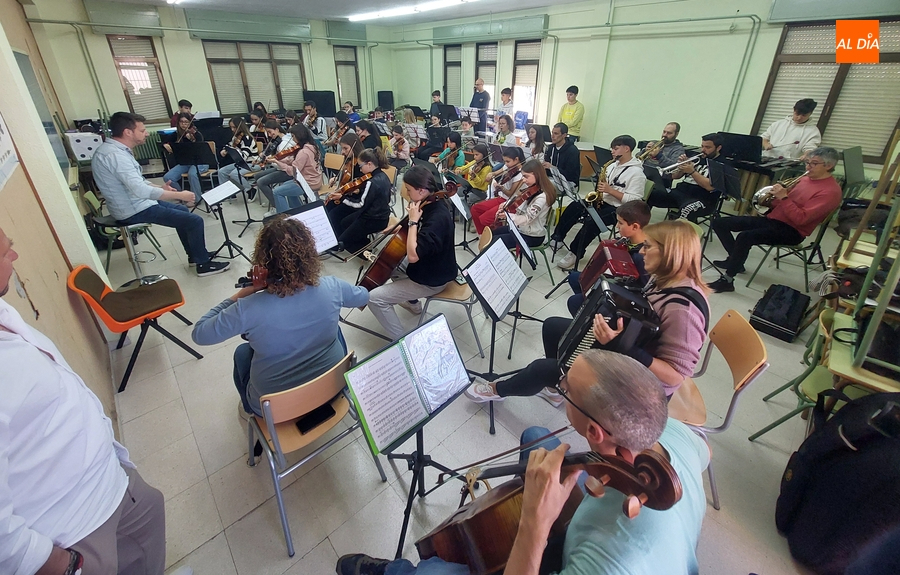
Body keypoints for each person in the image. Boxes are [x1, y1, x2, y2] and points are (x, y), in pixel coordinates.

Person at [337, 349, 709, 575]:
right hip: (609, 514)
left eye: (565, 389)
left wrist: (534, 521)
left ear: (595, 432)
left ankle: (396, 571)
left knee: (436, 571)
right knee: (537, 439)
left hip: (589, 552)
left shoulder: (611, 559)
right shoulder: (675, 433)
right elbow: (705, 454)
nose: (560, 388)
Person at [0, 225, 193, 575]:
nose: (14, 256)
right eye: (3, 253)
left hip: (109, 479)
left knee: (151, 510)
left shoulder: (4, 313)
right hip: (70, 530)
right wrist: (59, 563)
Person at [467, 219, 709, 405]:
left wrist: (623, 346)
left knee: (541, 368)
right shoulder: (664, 279)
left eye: (648, 246)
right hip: (628, 356)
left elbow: (676, 377)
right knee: (552, 326)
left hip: (642, 386)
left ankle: (497, 390)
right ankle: (560, 387)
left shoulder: (683, 310)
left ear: (670, 253)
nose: (642, 252)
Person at [191, 217, 368, 418]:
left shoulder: (248, 308)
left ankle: (249, 409)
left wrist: (242, 294)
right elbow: (364, 295)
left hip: (275, 409)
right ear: (309, 255)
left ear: (263, 263)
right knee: (334, 327)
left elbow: (199, 334)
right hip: (332, 387)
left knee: (242, 353)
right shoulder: (332, 286)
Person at [91, 112, 229, 276]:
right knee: (195, 220)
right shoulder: (115, 156)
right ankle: (203, 265)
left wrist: (161, 188)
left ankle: (195, 256)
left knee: (184, 212)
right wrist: (180, 195)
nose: (147, 133)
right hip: (132, 210)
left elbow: (138, 181)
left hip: (134, 203)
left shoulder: (114, 150)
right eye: (142, 131)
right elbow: (141, 190)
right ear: (128, 132)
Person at [709, 146, 843, 293]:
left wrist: (784, 197)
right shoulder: (805, 179)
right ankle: (736, 260)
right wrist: (770, 199)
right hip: (774, 219)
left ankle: (728, 280)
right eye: (807, 162)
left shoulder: (830, 192)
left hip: (793, 231)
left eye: (813, 163)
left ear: (829, 166)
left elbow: (801, 219)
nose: (808, 167)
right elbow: (782, 203)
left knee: (745, 237)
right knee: (719, 223)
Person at [367, 165, 458, 340]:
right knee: (388, 259)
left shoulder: (438, 216)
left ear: (422, 190)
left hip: (433, 278)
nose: (408, 194)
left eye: (409, 190)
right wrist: (398, 228)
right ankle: (414, 304)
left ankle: (402, 341)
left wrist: (413, 223)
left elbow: (413, 256)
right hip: (430, 264)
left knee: (374, 298)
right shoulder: (429, 202)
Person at [554, 135, 647, 271]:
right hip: (601, 200)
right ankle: (557, 237)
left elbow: (635, 201)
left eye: (615, 148)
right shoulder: (611, 166)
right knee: (574, 206)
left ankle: (575, 253)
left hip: (618, 209)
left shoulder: (637, 173)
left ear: (627, 149)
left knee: (591, 223)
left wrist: (610, 190)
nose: (612, 151)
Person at [565, 200, 652, 316]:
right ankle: (588, 305)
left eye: (620, 223)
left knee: (573, 302)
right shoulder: (626, 241)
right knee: (574, 278)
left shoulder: (641, 256)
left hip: (619, 295)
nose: (617, 226)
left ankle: (588, 317)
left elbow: (643, 291)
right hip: (610, 282)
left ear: (635, 226)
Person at [646, 132, 729, 222]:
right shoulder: (698, 157)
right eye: (702, 146)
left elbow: (710, 187)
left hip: (702, 199)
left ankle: (680, 235)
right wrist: (681, 167)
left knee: (687, 210)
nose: (703, 150)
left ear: (718, 148)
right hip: (680, 193)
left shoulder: (722, 165)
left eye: (707, 147)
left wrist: (692, 171)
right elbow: (675, 176)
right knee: (649, 195)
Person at [325, 148, 392, 255]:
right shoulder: (384, 176)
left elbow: (360, 205)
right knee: (344, 222)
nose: (360, 170)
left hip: (372, 219)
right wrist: (359, 190)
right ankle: (361, 240)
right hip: (382, 216)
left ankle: (365, 250)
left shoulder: (372, 182)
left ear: (369, 164)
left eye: (361, 166)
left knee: (341, 243)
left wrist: (342, 198)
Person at [492, 158, 556, 249]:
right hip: (521, 229)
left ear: (537, 175)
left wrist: (508, 216)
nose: (524, 180)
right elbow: (520, 199)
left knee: (496, 241)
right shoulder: (533, 187)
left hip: (532, 235)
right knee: (492, 233)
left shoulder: (542, 197)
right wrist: (506, 204)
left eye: (526, 176)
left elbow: (527, 219)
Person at [270, 124, 324, 214]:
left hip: (308, 184)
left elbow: (292, 172)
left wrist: (277, 162)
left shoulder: (303, 152)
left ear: (299, 136)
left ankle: (283, 218)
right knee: (286, 186)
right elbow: (293, 161)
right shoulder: (312, 146)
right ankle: (298, 212)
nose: (292, 139)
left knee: (277, 192)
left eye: (293, 136)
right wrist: (277, 159)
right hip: (315, 180)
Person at [471, 147, 526, 235]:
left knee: (484, 219)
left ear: (516, 159)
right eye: (505, 161)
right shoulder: (507, 166)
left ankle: (494, 234)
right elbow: (497, 173)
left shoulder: (521, 174)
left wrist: (501, 188)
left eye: (508, 161)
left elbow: (510, 193)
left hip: (509, 202)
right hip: (500, 198)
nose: (506, 164)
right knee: (475, 209)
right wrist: (491, 173)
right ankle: (482, 234)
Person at [162, 112, 208, 203]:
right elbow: (164, 142)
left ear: (190, 123)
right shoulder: (176, 134)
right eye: (182, 122)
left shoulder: (196, 134)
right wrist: (165, 145)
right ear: (178, 123)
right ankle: (182, 196)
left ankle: (196, 199)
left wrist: (192, 140)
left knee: (192, 174)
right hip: (186, 162)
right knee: (168, 177)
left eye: (186, 122)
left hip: (201, 161)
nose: (184, 124)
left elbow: (201, 148)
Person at [252, 121, 297, 213]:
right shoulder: (282, 138)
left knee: (261, 182)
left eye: (269, 132)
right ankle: (274, 199)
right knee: (257, 176)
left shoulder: (284, 143)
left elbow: (282, 165)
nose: (269, 135)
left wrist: (270, 161)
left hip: (287, 171)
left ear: (277, 129)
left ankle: (277, 206)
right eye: (267, 133)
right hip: (280, 168)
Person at [218, 116, 260, 192]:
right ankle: (227, 193)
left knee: (235, 174)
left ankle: (250, 190)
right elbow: (229, 145)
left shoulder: (247, 139)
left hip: (252, 163)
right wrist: (225, 150)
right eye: (231, 127)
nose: (232, 130)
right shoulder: (235, 138)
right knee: (221, 171)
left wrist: (235, 150)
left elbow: (244, 156)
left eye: (234, 127)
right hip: (241, 163)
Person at [542, 122, 581, 190]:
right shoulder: (550, 148)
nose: (552, 136)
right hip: (553, 178)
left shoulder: (572, 151)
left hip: (568, 182)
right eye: (552, 133)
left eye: (556, 134)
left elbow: (570, 174)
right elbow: (547, 168)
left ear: (564, 135)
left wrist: (552, 168)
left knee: (543, 187)